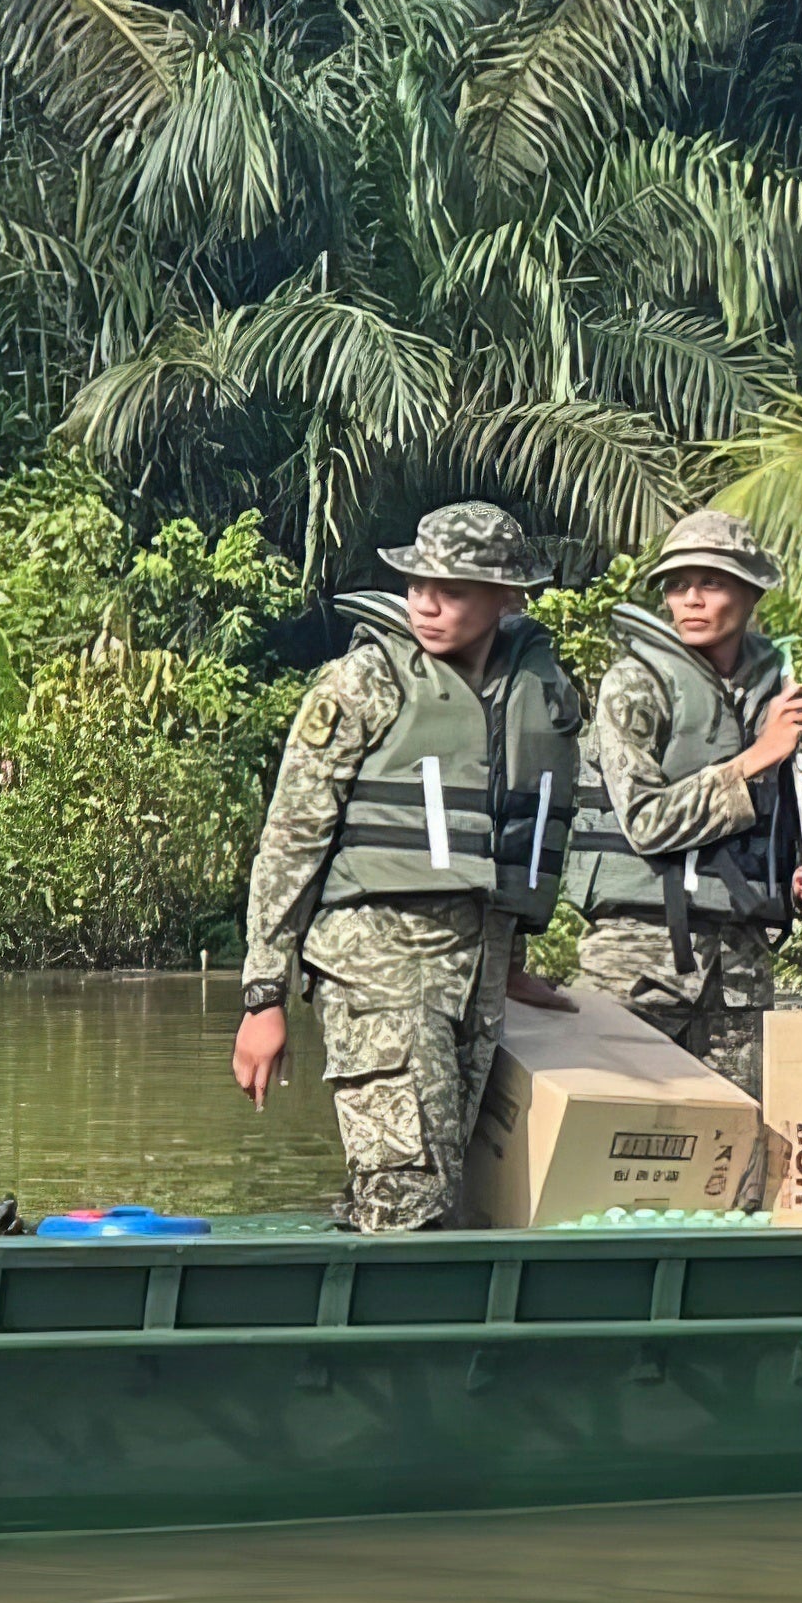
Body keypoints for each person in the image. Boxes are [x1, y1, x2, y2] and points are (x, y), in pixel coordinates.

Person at [229, 502, 586, 1231]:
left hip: (476, 967)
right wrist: (263, 993)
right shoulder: (363, 682)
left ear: (507, 597)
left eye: (451, 589)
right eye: (417, 583)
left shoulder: (536, 689)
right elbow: (291, 838)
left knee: (439, 1194)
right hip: (376, 960)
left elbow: (525, 830)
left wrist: (512, 951)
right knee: (408, 1193)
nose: (425, 602)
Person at [562, 508, 802, 1094]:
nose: (690, 599)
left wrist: (797, 883)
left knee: (734, 1157)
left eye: (711, 583)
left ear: (751, 594)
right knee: (617, 1154)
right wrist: (756, 755)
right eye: (677, 584)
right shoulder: (635, 686)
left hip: (739, 969)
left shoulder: (780, 695)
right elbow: (645, 823)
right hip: (636, 963)